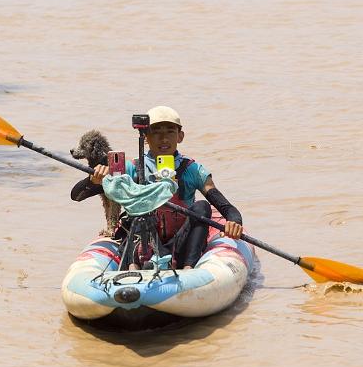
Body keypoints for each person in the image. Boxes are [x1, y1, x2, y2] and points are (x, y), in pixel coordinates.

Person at [72, 106, 243, 270]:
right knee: (136, 214)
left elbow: (226, 207)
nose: (164, 139)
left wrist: (234, 222)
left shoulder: (192, 170)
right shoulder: (132, 168)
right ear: (145, 138)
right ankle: (136, 265)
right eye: (156, 132)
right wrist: (94, 181)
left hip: (181, 243)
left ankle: (189, 268)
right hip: (143, 244)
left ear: (180, 136)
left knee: (202, 207)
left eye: (170, 131)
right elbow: (76, 195)